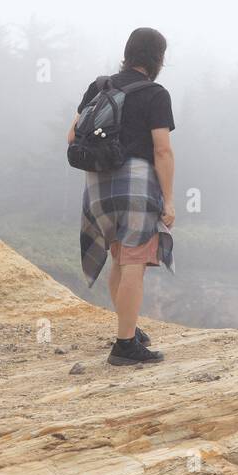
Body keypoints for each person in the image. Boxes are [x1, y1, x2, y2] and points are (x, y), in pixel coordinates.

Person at [68, 27, 176, 365]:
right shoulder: (155, 94)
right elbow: (162, 151)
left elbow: (72, 136)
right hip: (136, 185)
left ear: (127, 53)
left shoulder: (101, 86)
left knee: (118, 257)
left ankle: (127, 328)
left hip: (98, 185)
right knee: (134, 263)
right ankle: (125, 346)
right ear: (157, 59)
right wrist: (169, 200)